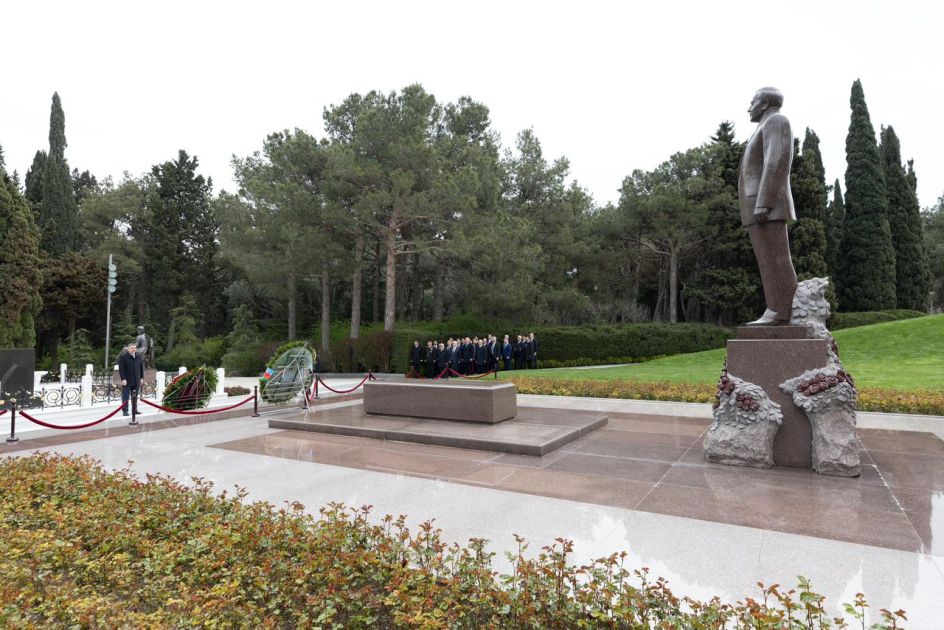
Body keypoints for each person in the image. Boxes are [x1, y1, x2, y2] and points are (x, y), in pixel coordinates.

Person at [739, 87, 799, 326]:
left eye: (752, 102)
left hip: (766, 205)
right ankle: (775, 308)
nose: (749, 108)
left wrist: (764, 202)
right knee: (766, 260)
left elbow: (777, 160)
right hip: (757, 205)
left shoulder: (776, 121)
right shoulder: (764, 126)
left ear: (763, 103)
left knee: (776, 258)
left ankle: (781, 310)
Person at [117, 341, 144, 417]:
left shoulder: (139, 356)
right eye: (132, 348)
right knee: (125, 397)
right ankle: (125, 411)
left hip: (136, 380)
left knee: (135, 397)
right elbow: (121, 369)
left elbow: (141, 368)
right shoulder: (123, 357)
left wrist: (141, 378)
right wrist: (123, 379)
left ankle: (134, 410)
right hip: (127, 381)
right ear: (128, 349)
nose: (134, 349)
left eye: (135, 348)